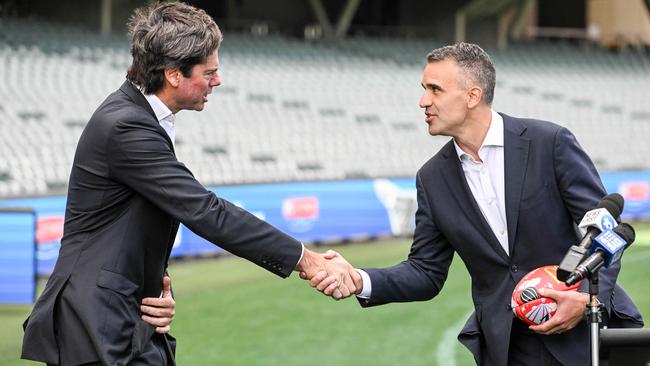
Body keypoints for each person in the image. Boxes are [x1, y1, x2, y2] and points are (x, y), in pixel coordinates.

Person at [20, 2, 356, 365]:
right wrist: (305, 260)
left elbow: (127, 232)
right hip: (95, 326)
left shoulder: (139, 117)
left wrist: (159, 291)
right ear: (173, 74)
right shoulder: (125, 125)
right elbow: (205, 210)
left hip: (127, 320)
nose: (218, 80)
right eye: (209, 71)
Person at [308, 43, 644, 365]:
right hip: (509, 347)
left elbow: (605, 233)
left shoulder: (549, 142)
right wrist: (359, 279)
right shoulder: (432, 178)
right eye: (424, 89)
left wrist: (586, 300)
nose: (423, 101)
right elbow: (426, 271)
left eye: (435, 89)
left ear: (473, 95)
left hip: (588, 337)